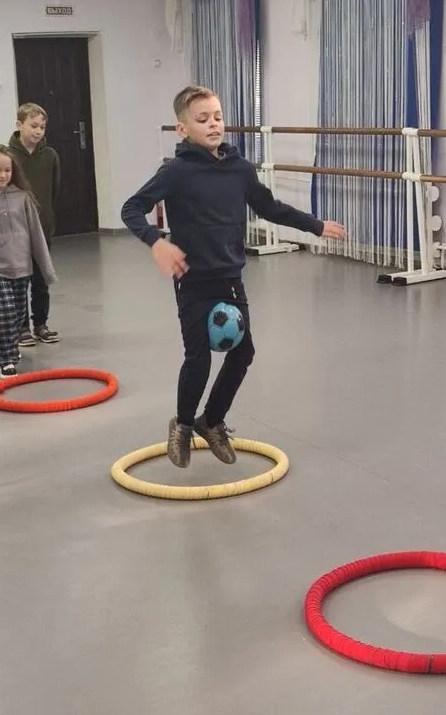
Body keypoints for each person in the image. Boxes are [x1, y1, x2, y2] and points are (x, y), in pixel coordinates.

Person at [120, 85, 346, 468]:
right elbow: (131, 208)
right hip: (193, 280)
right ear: (182, 129)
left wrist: (315, 225)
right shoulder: (175, 172)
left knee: (243, 353)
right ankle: (183, 424)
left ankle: (211, 421)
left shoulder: (240, 169)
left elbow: (270, 208)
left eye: (218, 117)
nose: (213, 125)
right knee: (199, 359)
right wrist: (156, 242)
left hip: (230, 278)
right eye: (202, 119)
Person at [0, 143, 58, 379]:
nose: (3, 175)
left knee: (17, 312)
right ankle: (5, 358)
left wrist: (46, 270)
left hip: (22, 266)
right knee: (6, 309)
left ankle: (11, 348)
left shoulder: (23, 198)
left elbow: (36, 235)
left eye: (7, 170)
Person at [8, 102, 62, 347]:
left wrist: (46, 216)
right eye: (33, 126)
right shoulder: (8, 156)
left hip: (42, 225)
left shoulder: (50, 156)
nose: (38, 131)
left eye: (42, 127)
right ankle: (21, 328)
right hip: (15, 228)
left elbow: (54, 190)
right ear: (19, 125)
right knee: (20, 280)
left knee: (41, 279)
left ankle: (41, 324)